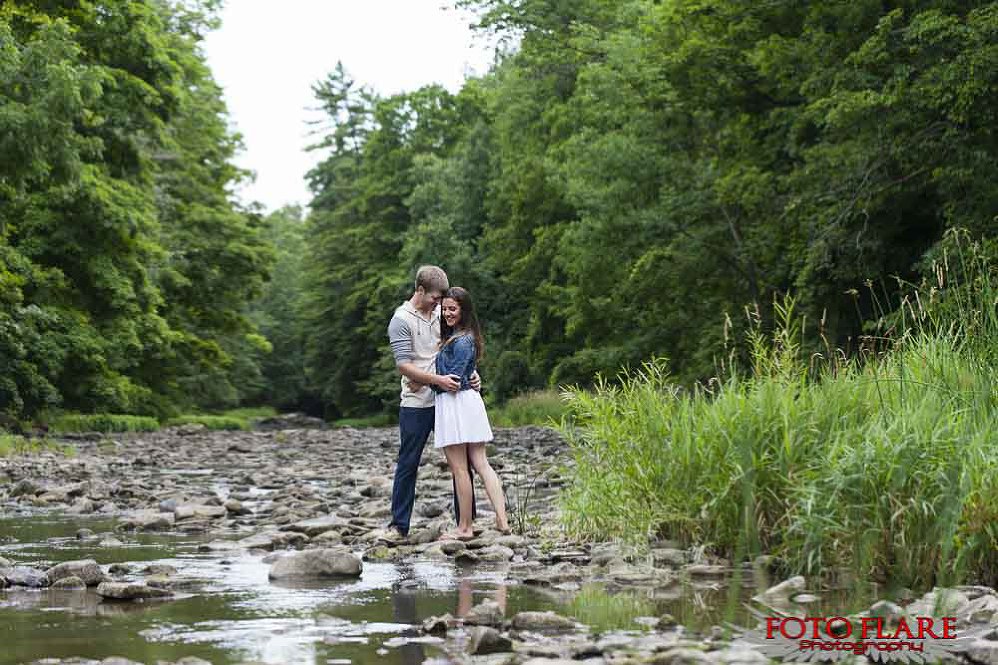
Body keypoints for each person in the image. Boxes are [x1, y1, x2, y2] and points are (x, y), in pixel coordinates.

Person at [384, 266, 479, 544]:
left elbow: (460, 346)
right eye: (436, 298)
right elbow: (404, 366)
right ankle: (399, 525)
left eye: (442, 300)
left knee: (461, 463)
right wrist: (433, 378)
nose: (440, 304)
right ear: (420, 291)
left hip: (449, 399)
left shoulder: (441, 313)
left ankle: (467, 521)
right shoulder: (400, 320)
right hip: (416, 403)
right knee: (408, 462)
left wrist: (471, 373)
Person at [432, 287, 509, 539]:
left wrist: (422, 380)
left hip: (457, 405)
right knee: (480, 464)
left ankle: (465, 527)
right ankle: (502, 520)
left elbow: (452, 381)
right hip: (469, 403)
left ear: (464, 310)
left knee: (461, 469)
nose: (447, 314)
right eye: (444, 309)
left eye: (452, 309)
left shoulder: (462, 339)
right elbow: (465, 374)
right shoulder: (464, 336)